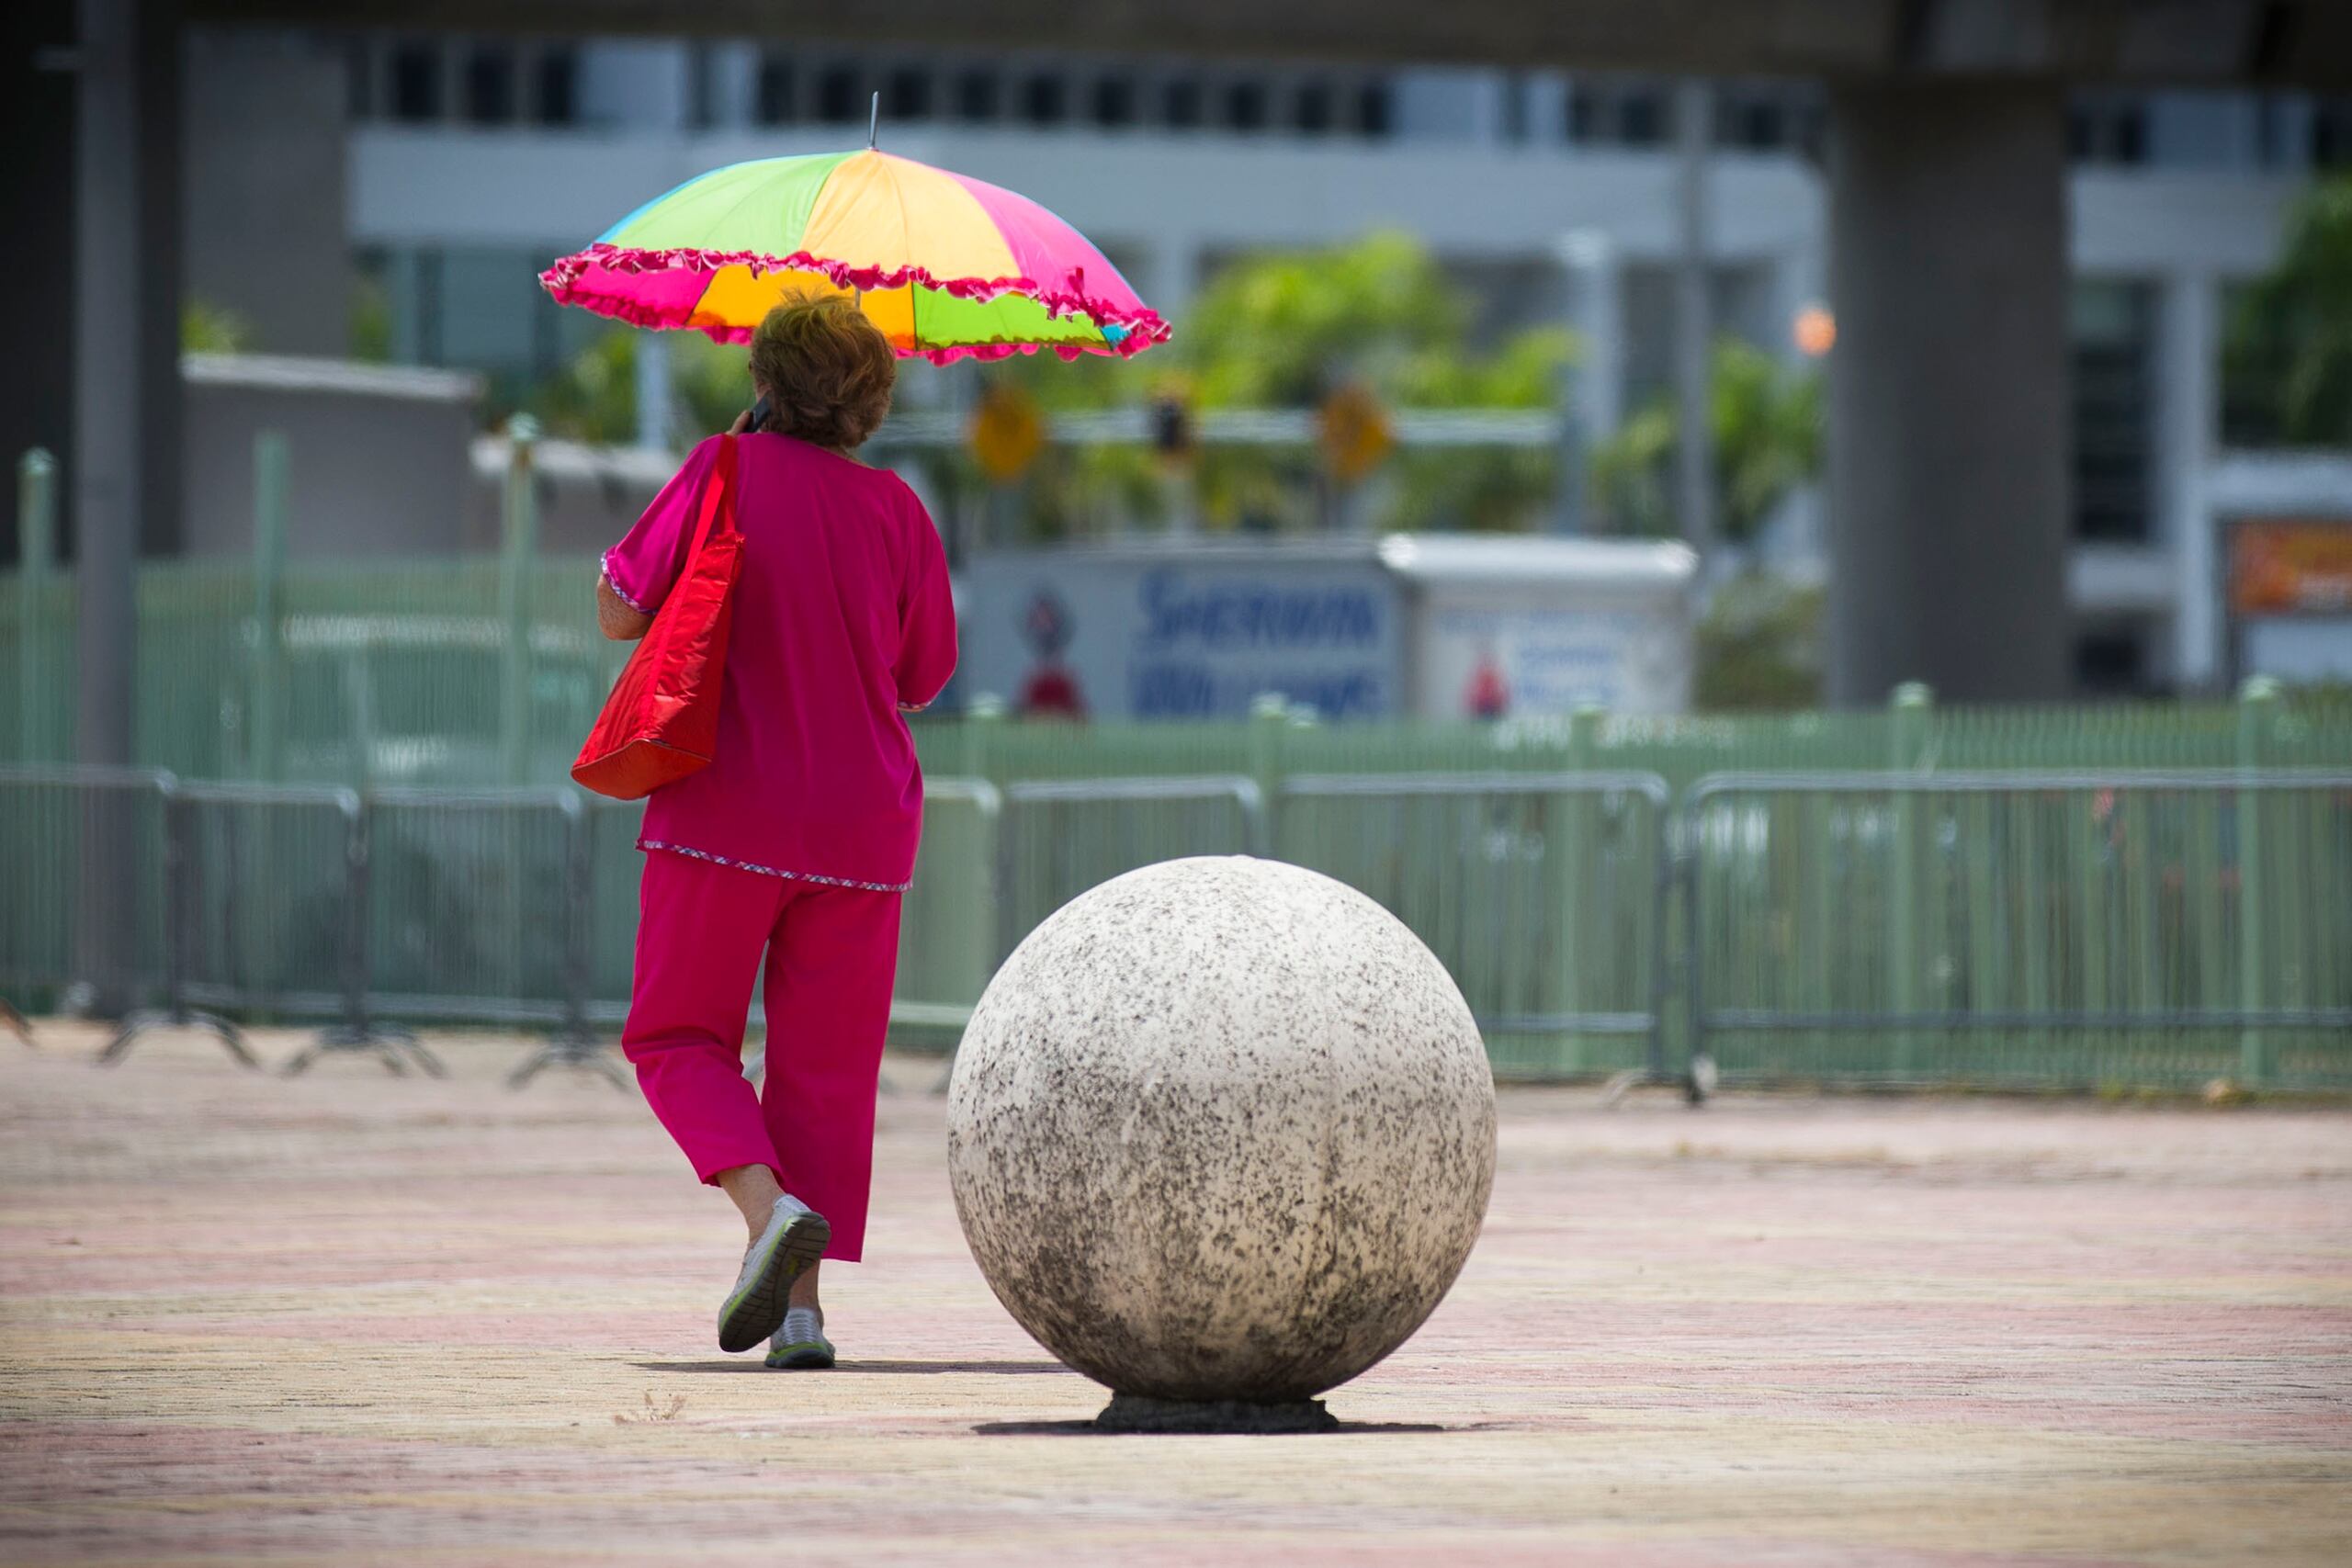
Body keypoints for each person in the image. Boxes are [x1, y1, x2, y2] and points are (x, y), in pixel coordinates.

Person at [595, 292, 957, 1370]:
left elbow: (621, 608)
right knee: (824, 1077)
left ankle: (764, 1216)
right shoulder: (898, 509)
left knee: (674, 1038)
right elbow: (924, 675)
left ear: (764, 383)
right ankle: (801, 1316)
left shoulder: (722, 472)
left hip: (727, 811)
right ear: (870, 404)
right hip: (863, 832)